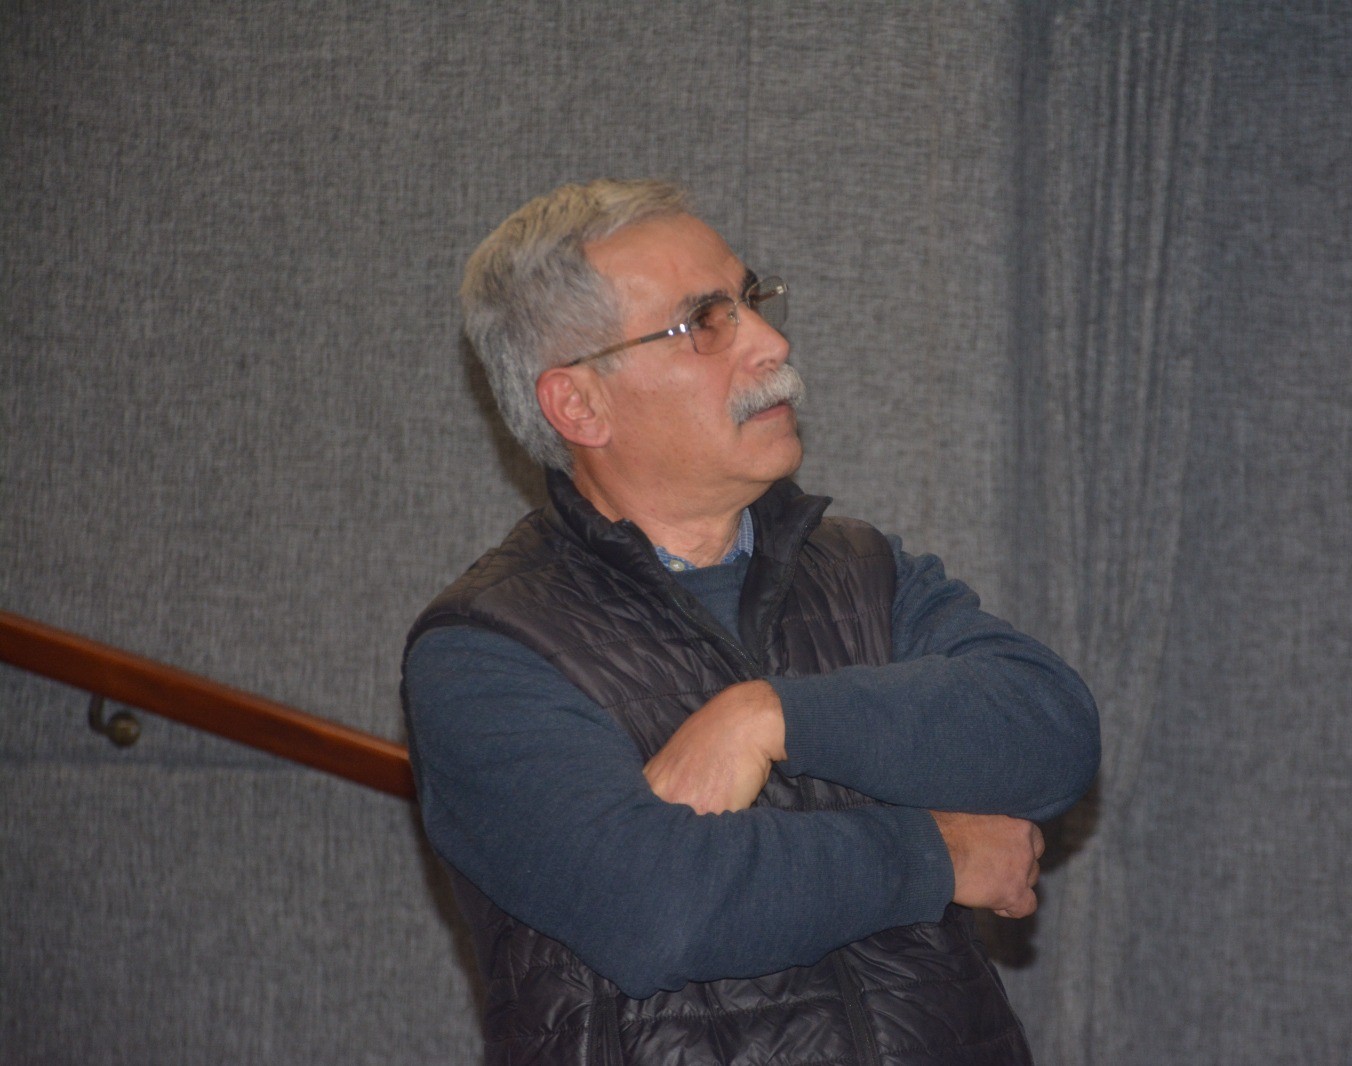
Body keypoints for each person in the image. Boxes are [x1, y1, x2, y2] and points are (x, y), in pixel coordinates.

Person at [403, 178, 1099, 1064]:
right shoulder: (486, 647)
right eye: (703, 322)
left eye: (750, 300)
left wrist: (770, 716)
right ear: (579, 404)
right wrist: (939, 854)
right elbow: (661, 905)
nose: (772, 343)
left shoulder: (861, 569)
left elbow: (1052, 734)